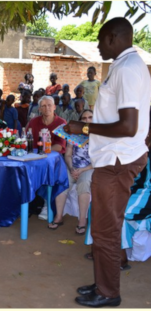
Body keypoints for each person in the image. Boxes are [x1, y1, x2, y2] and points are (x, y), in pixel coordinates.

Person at [64, 18, 150, 308]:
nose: (98, 45)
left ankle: (109, 293)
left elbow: (128, 125)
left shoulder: (127, 69)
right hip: (114, 158)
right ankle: (102, 284)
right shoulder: (126, 66)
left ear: (113, 37)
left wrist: (84, 128)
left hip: (116, 161)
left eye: (101, 40)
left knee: (106, 230)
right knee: (101, 229)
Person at [48, 109, 94, 233]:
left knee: (84, 183)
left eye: (90, 117)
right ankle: (58, 216)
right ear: (80, 121)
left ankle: (82, 220)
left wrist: (82, 170)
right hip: (73, 167)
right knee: (62, 181)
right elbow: (67, 154)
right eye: (84, 118)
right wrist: (71, 168)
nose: (87, 120)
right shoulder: (74, 134)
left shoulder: (98, 136)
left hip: (90, 168)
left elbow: (99, 160)